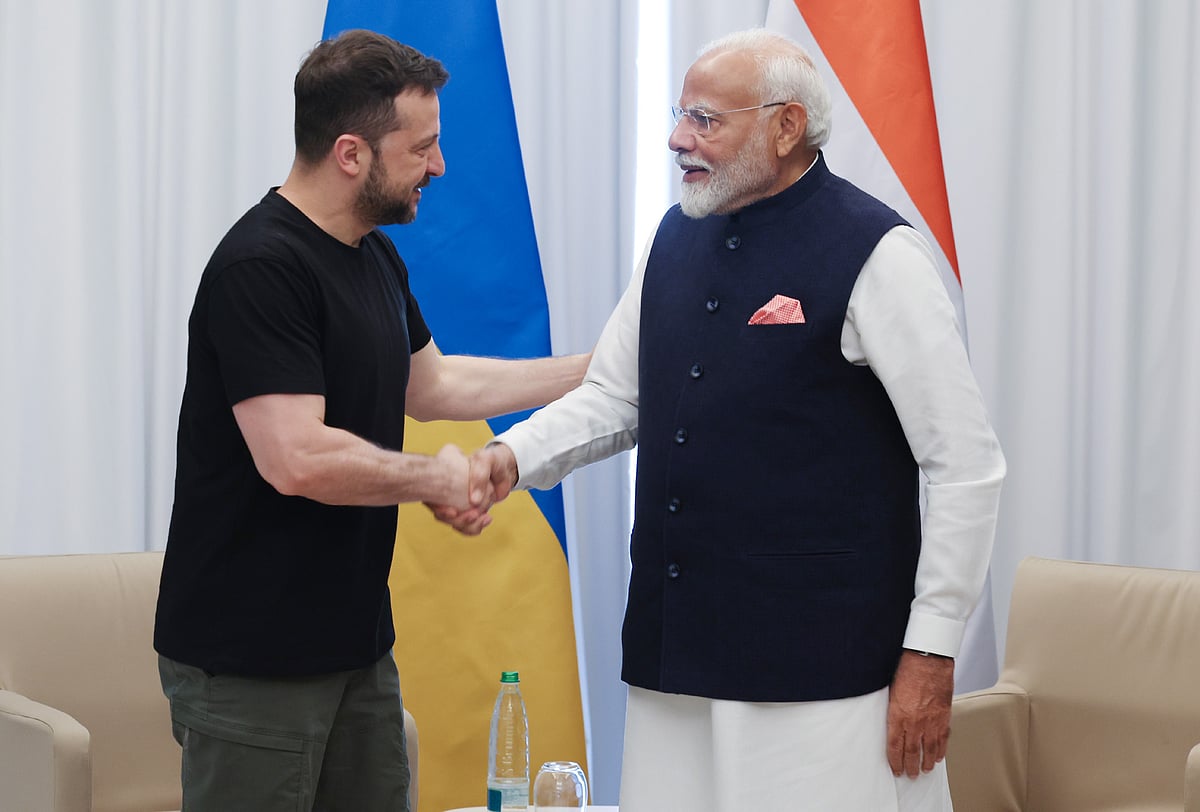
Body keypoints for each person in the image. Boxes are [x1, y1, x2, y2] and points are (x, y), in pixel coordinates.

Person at [443, 28, 1005, 811]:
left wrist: (932, 649)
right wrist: (510, 458)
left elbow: (965, 465)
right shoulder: (675, 236)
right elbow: (617, 395)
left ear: (785, 127)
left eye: (705, 119)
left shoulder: (878, 253)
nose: (678, 139)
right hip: (678, 655)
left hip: (821, 672)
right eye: (680, 115)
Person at [153, 29, 588, 811]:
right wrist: (435, 478)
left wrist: (598, 373)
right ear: (351, 154)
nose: (440, 167)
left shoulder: (371, 255)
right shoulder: (262, 268)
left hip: (356, 649)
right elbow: (297, 457)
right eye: (421, 148)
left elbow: (436, 384)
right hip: (253, 659)